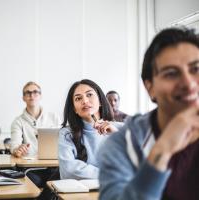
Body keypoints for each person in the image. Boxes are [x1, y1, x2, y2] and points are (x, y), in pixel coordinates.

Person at [99, 27, 199, 200]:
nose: (189, 83)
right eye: (171, 73)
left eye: (196, 69)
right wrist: (163, 149)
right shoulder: (121, 145)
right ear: (150, 87)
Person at [59, 79, 122, 180]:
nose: (85, 101)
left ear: (100, 101)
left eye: (89, 95)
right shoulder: (67, 134)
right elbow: (68, 171)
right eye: (78, 98)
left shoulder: (121, 128)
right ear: (74, 109)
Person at [10, 81, 60, 157]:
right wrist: (17, 149)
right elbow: (14, 146)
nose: (32, 95)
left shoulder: (54, 117)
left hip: (52, 162)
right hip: (29, 165)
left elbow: (64, 141)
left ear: (40, 96)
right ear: (23, 98)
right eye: (28, 92)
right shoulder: (17, 122)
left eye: (35, 92)